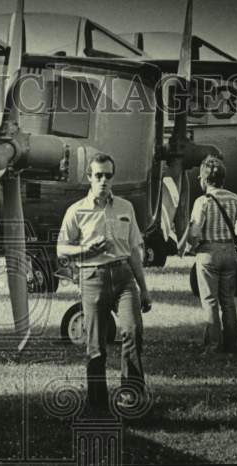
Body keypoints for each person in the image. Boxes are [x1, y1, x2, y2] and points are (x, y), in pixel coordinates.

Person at [57, 152, 152, 413]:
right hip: (93, 278)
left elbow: (133, 250)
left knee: (132, 331)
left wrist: (143, 289)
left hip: (123, 278)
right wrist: (86, 250)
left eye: (108, 175)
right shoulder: (76, 211)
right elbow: (61, 249)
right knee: (96, 345)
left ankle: (130, 396)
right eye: (98, 175)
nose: (103, 180)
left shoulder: (125, 207)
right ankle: (97, 404)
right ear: (89, 177)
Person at [180, 156, 237, 353]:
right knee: (228, 301)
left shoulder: (202, 201)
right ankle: (231, 343)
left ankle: (213, 345)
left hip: (208, 253)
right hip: (229, 251)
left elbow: (194, 232)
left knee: (210, 301)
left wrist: (193, 246)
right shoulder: (234, 199)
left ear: (203, 179)